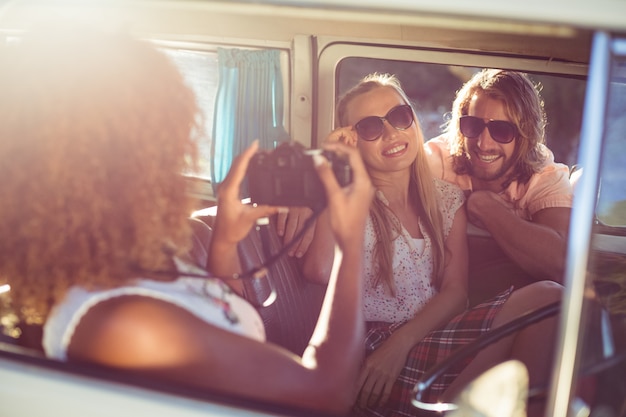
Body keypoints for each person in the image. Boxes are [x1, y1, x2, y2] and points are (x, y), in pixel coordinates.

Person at [0, 25, 376, 415]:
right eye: (161, 147)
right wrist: (350, 246)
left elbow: (215, 314)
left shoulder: (133, 257)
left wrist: (226, 241)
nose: (173, 163)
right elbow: (326, 395)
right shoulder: (123, 323)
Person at [300, 73, 562, 417]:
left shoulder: (445, 197)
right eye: (370, 128)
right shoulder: (349, 198)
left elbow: (455, 292)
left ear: (412, 119)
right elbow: (319, 269)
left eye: (399, 117)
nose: (392, 134)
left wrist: (403, 342)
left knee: (551, 300)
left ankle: (444, 407)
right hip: (370, 344)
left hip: (423, 333)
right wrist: (332, 175)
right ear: (352, 140)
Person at [425, 69, 573, 286]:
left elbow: (562, 264)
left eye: (501, 130)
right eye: (473, 125)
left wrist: (484, 207)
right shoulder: (436, 159)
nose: (483, 144)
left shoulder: (544, 175)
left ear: (526, 133)